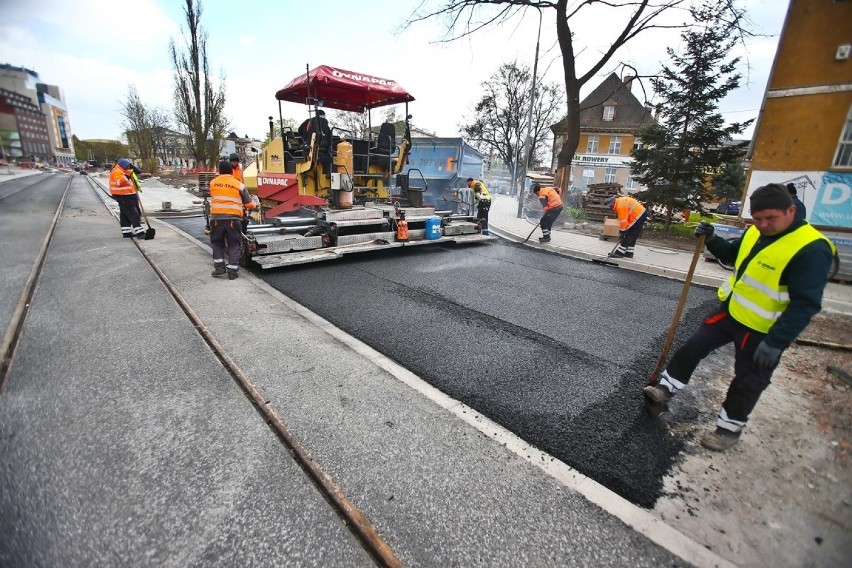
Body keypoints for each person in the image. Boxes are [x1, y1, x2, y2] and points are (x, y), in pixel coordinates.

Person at [643, 183, 836, 451]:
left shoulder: (811, 249)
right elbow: (734, 255)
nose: (763, 225)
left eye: (770, 218)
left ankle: (728, 430)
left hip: (764, 330)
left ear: (791, 210)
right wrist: (712, 239)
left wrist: (778, 340)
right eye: (757, 219)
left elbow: (806, 304)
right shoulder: (754, 232)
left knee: (747, 381)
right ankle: (664, 389)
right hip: (732, 313)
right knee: (693, 346)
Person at [209, 160, 256, 280]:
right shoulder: (239, 185)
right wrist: (254, 205)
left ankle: (219, 267)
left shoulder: (213, 183)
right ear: (232, 171)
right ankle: (232, 272)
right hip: (233, 220)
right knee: (234, 244)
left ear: (219, 171)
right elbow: (248, 204)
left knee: (217, 243)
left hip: (216, 219)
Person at [109, 158, 146, 239]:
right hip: (123, 196)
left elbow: (138, 172)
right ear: (122, 165)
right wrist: (127, 175)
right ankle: (140, 233)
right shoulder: (117, 171)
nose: (128, 167)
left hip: (127, 195)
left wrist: (131, 167)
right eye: (127, 165)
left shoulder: (122, 170)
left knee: (124, 215)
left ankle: (126, 232)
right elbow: (119, 183)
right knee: (133, 214)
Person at [605, 194, 647, 258]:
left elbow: (623, 221)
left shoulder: (620, 206)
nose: (610, 208)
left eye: (610, 206)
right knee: (633, 235)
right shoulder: (619, 202)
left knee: (629, 235)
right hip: (640, 214)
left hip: (638, 216)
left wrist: (622, 232)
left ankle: (619, 253)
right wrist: (623, 230)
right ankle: (629, 252)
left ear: (613, 202)